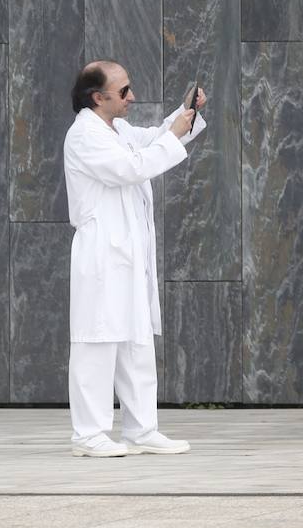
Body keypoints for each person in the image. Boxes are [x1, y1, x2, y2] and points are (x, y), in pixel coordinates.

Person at [64, 62, 206, 457]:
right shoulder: (84, 137)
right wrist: (175, 134)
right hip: (101, 252)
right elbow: (133, 168)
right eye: (123, 91)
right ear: (99, 97)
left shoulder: (118, 130)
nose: (132, 96)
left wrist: (183, 115)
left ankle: (141, 429)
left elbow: (152, 139)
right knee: (97, 341)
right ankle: (88, 434)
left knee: (135, 340)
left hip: (128, 252)